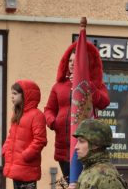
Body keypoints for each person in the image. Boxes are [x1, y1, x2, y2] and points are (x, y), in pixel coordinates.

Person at [44, 42, 110, 181]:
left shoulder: (95, 84)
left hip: (86, 145)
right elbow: (49, 109)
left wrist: (87, 85)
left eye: (76, 61)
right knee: (70, 185)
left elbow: (103, 103)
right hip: (63, 144)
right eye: (70, 61)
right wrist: (53, 122)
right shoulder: (59, 85)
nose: (72, 64)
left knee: (84, 185)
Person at [2, 80, 47, 189]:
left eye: (15, 93)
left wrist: (25, 156)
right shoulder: (17, 114)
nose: (12, 96)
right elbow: (11, 136)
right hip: (17, 163)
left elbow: (40, 140)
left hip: (27, 163)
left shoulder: (37, 115)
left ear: (25, 95)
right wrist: (5, 151)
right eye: (12, 93)